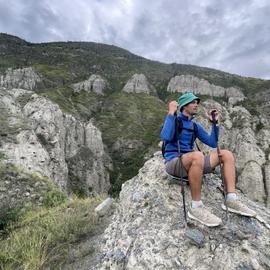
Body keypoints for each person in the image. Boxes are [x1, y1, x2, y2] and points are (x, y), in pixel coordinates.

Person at [160, 92, 256, 227]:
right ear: (183, 106)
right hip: (174, 163)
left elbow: (212, 142)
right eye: (192, 102)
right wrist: (171, 113)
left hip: (193, 162)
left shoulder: (194, 126)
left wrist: (215, 123)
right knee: (197, 156)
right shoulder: (175, 120)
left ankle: (231, 199)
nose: (196, 105)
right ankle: (196, 207)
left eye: (196, 102)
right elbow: (166, 136)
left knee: (226, 154)